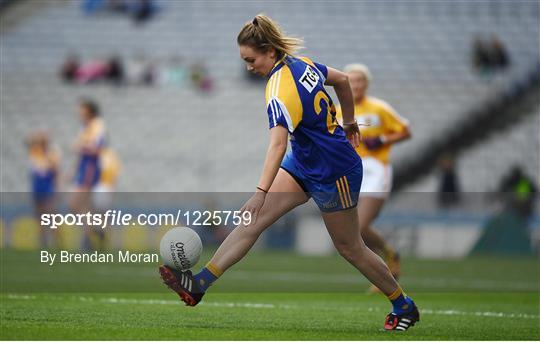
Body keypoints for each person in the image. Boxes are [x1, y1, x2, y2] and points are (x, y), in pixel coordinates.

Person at [158, 14, 419, 331]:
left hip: (334, 169)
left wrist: (260, 192)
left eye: (251, 59)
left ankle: (403, 305)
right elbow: (343, 81)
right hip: (305, 161)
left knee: (350, 247)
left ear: (269, 51)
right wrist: (349, 121)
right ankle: (199, 284)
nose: (248, 67)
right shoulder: (302, 63)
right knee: (252, 221)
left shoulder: (278, 90)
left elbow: (277, 145)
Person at [336, 64, 411, 292]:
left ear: (366, 84)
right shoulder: (338, 111)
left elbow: (405, 130)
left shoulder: (379, 108)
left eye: (360, 81)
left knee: (359, 225)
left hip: (375, 169)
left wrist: (382, 141)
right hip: (349, 170)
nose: (356, 85)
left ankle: (387, 259)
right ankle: (387, 261)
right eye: (351, 81)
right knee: (352, 228)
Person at [27, 131, 60, 247]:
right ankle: (43, 239)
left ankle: (56, 239)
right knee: (39, 215)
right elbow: (27, 142)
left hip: (48, 188)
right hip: (37, 188)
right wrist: (37, 137)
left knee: (51, 215)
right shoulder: (35, 152)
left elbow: (55, 171)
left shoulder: (51, 154)